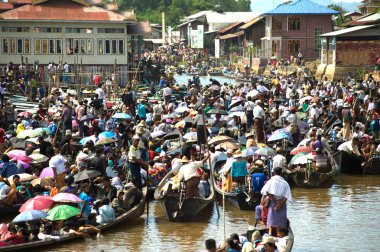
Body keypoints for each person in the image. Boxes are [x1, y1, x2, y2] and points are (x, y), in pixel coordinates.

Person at [261, 167, 292, 235]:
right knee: (282, 219)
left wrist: (276, 201)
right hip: (282, 203)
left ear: (274, 173)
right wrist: (280, 203)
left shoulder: (271, 181)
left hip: (273, 202)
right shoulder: (285, 183)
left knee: (272, 218)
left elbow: (267, 192)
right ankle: (282, 233)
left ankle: (271, 233)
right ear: (281, 173)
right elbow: (287, 195)